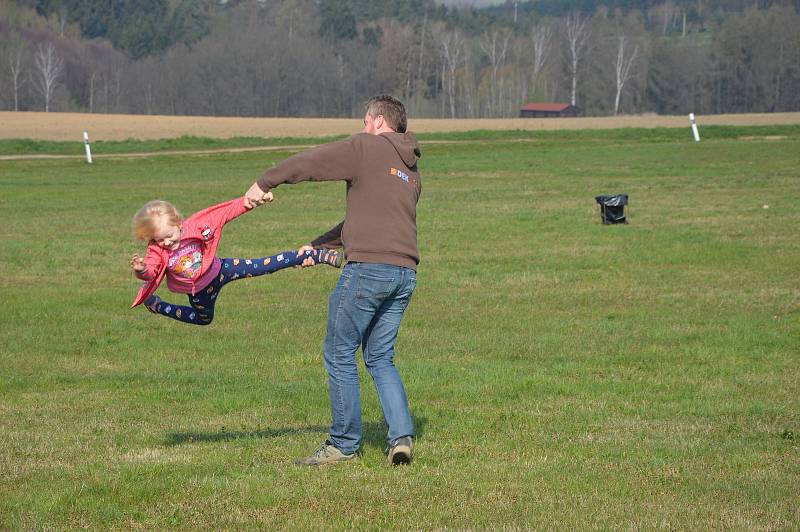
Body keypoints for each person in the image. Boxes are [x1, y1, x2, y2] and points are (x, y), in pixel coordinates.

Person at [245, 95, 422, 466]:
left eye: (364, 121)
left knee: (339, 352)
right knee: (379, 357)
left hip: (368, 270)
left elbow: (312, 162)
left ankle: (343, 444)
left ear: (376, 121)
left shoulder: (367, 147)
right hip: (404, 273)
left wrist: (264, 182)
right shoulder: (411, 170)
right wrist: (317, 245)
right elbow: (373, 220)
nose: (361, 128)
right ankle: (401, 437)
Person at [129, 194, 341, 325]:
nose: (166, 242)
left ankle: (314, 254)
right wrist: (141, 270)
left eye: (169, 235)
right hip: (200, 291)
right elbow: (152, 272)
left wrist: (252, 201)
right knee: (204, 319)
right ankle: (158, 306)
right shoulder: (156, 251)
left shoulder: (196, 226)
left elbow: (226, 212)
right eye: (159, 239)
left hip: (221, 270)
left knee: (263, 266)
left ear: (178, 222)